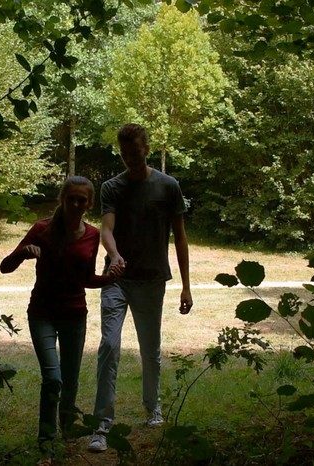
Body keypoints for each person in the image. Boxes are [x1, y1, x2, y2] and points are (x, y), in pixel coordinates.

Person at [0, 176, 121, 462]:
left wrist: (110, 278)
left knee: (70, 380)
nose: (76, 204)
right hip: (42, 313)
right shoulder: (41, 229)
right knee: (52, 378)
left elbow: (85, 278)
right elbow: (5, 267)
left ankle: (66, 431)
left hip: (74, 315)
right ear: (62, 199)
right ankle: (46, 439)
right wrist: (23, 253)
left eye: (82, 200)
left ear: (89, 203)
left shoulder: (92, 235)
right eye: (71, 199)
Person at [88, 123, 193, 452]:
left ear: (146, 149)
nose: (130, 158)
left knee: (150, 349)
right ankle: (102, 425)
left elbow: (181, 239)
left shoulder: (168, 186)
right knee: (108, 345)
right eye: (124, 153)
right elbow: (106, 229)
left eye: (135, 152)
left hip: (151, 280)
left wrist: (186, 286)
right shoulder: (112, 187)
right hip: (116, 279)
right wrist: (115, 255)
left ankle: (153, 408)